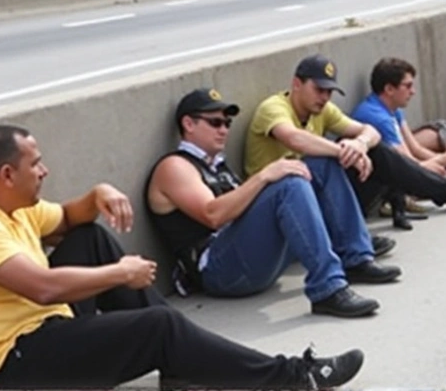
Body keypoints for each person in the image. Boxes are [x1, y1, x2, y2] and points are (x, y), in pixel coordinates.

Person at [0, 124, 364, 391]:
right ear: (6, 175)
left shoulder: (10, 207)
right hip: (19, 366)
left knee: (89, 236)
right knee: (161, 325)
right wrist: (119, 273)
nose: (45, 172)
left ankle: (183, 364)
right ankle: (292, 378)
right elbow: (42, 288)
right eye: (36, 165)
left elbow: (71, 216)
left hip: (49, 331)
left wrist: (100, 192)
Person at [145, 88, 396, 320]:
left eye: (227, 123)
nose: (224, 130)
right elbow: (213, 215)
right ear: (188, 124)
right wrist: (265, 176)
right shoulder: (175, 166)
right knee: (290, 184)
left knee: (320, 165)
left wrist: (347, 150)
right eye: (215, 123)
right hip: (220, 271)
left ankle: (356, 258)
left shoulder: (216, 165)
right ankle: (327, 289)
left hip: (247, 254)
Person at [245, 55, 446, 228]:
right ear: (297, 84)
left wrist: (360, 144)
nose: (324, 97)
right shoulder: (274, 107)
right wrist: (344, 149)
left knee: (373, 150)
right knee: (332, 159)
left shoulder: (323, 109)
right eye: (319, 90)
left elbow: (370, 132)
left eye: (329, 91)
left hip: (312, 194)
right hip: (275, 201)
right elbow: (295, 139)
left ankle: (357, 240)